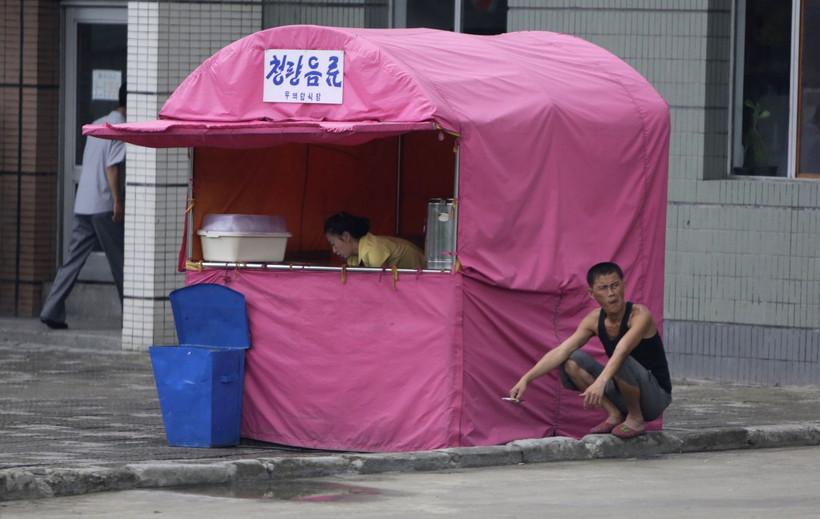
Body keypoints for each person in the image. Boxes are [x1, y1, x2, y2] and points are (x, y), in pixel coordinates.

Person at [509, 262, 672, 439]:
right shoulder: (594, 320)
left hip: (655, 396)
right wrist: (527, 378)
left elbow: (622, 349)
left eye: (615, 285)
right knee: (572, 360)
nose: (611, 294)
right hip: (623, 391)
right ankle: (614, 414)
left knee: (620, 358)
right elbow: (562, 350)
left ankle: (635, 418)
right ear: (592, 294)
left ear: (623, 286)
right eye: (603, 288)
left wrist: (601, 382)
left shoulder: (639, 315)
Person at [40, 84, 127, 329]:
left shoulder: (99, 123)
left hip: (83, 203)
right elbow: (112, 168)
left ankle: (51, 310)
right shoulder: (118, 129)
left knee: (72, 260)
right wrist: (118, 201)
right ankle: (133, 313)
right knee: (120, 260)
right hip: (102, 205)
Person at [324, 212, 426, 269]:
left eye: (333, 244)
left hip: (424, 280)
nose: (334, 250)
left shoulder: (373, 249)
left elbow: (381, 284)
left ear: (346, 236)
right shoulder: (354, 256)